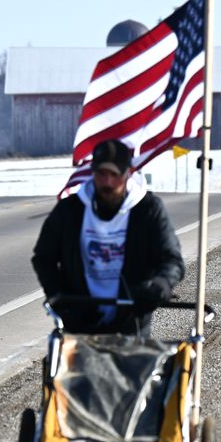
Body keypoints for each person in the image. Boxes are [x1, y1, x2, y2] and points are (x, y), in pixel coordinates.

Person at [32, 139, 185, 335]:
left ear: (127, 174)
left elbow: (171, 259)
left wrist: (159, 285)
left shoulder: (148, 209)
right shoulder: (70, 210)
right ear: (93, 172)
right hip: (79, 319)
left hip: (132, 320)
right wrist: (60, 298)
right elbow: (44, 258)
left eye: (115, 175)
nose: (108, 182)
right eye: (101, 174)